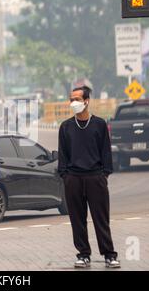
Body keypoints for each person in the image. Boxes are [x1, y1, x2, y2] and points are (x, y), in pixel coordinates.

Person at [57, 86, 120, 269]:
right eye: (71, 100)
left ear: (86, 101)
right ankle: (83, 255)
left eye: (77, 99)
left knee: (101, 219)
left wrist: (104, 174)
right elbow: (63, 154)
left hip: (95, 178)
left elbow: (106, 152)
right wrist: (65, 176)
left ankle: (109, 254)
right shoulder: (66, 127)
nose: (74, 103)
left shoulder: (99, 124)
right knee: (77, 220)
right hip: (73, 179)